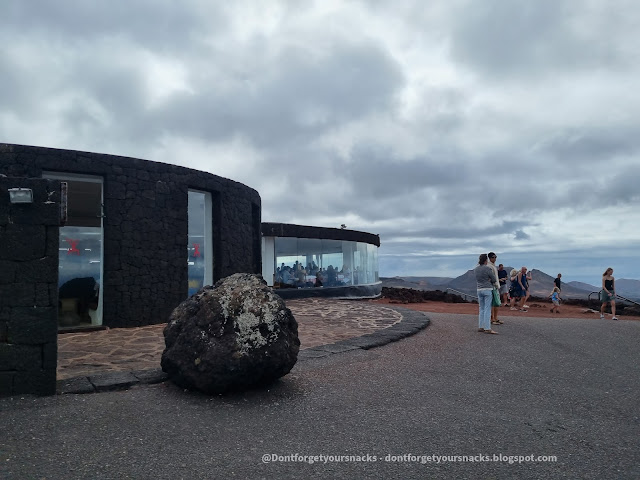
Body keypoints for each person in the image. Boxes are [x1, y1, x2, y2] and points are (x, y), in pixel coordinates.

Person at [474, 253, 498, 334]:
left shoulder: (476, 269)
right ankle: (487, 328)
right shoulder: (487, 268)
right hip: (487, 289)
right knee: (488, 309)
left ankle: (481, 326)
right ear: (486, 260)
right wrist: (489, 280)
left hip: (479, 289)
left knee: (481, 308)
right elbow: (494, 279)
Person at [487, 252, 502, 325]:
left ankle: (495, 318)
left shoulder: (493, 266)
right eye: (493, 257)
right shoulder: (489, 266)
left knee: (496, 303)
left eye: (495, 257)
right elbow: (490, 277)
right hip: (492, 286)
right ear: (490, 258)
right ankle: (492, 318)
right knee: (493, 303)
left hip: (495, 286)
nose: (495, 258)